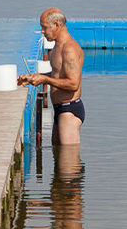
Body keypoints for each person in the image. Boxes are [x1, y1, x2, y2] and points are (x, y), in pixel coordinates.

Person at [18, 8, 85, 144]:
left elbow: (73, 84)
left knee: (69, 162)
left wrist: (44, 79)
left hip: (69, 110)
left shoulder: (69, 49)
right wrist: (35, 77)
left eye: (44, 27)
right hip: (59, 109)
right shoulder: (57, 46)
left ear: (56, 25)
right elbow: (58, 74)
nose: (42, 31)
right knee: (58, 159)